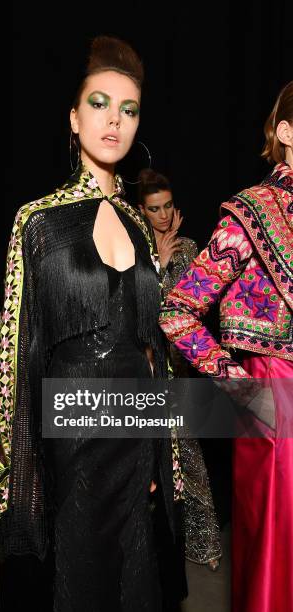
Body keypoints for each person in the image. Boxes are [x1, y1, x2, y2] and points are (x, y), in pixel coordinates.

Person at [0, 37, 185, 611]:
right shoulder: (38, 221)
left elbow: (153, 350)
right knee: (78, 577)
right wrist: (21, 471)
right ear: (74, 120)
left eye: (129, 110)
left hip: (134, 430)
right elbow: (13, 357)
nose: (115, 121)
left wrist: (159, 447)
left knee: (136, 575)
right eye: (100, 105)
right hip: (70, 434)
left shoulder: (137, 222)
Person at [159, 81, 293, 612]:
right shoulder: (250, 212)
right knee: (276, 560)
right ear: (286, 132)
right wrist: (234, 380)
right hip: (276, 407)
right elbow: (177, 309)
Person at [139, 168, 222, 571]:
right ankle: (151, 543)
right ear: (142, 211)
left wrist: (173, 262)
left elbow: (194, 309)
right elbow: (138, 314)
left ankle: (204, 542)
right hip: (142, 370)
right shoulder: (132, 250)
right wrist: (157, 264)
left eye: (168, 205)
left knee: (190, 457)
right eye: (155, 208)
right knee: (147, 460)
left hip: (179, 368)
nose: (164, 215)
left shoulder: (189, 247)